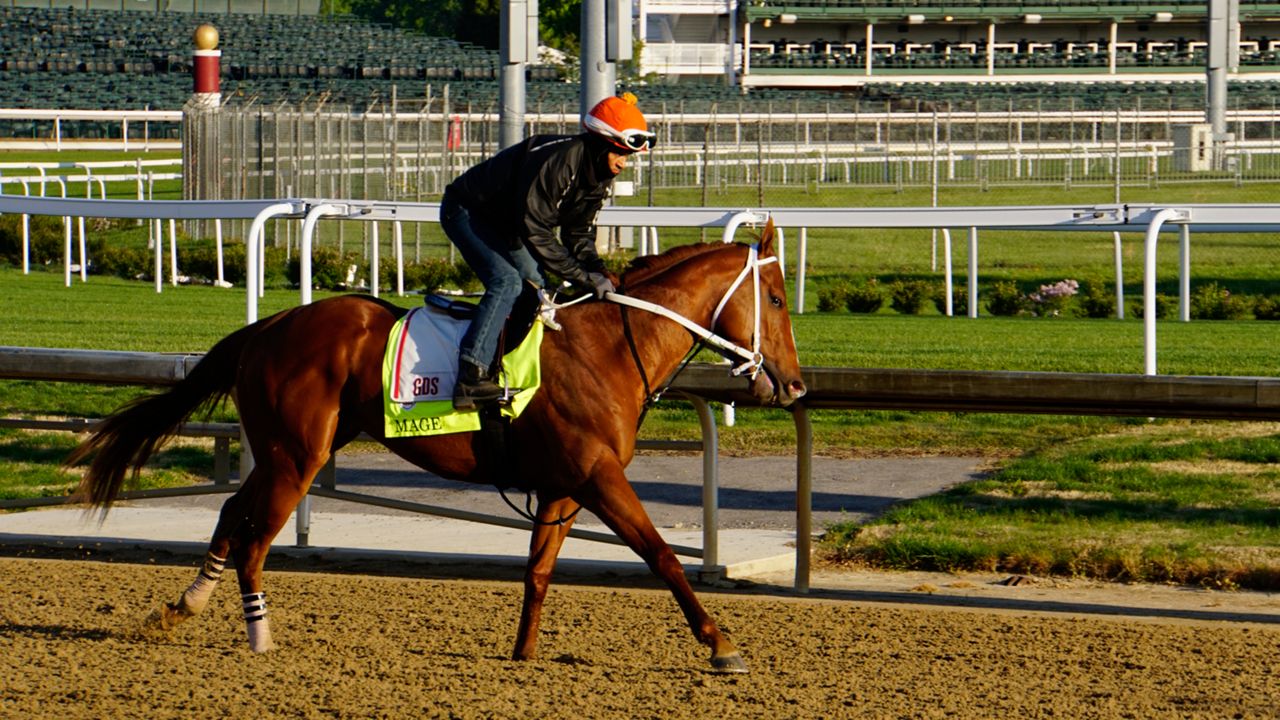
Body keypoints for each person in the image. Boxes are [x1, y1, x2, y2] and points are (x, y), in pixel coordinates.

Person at [440, 93, 656, 410]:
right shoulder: (561, 160)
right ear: (601, 142)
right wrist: (582, 277)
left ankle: (508, 367)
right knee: (508, 283)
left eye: (628, 156)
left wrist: (597, 271)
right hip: (467, 211)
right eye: (620, 153)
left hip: (507, 222)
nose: (624, 162)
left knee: (539, 291)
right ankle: (470, 376)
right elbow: (535, 229)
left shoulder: (599, 174)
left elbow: (579, 232)